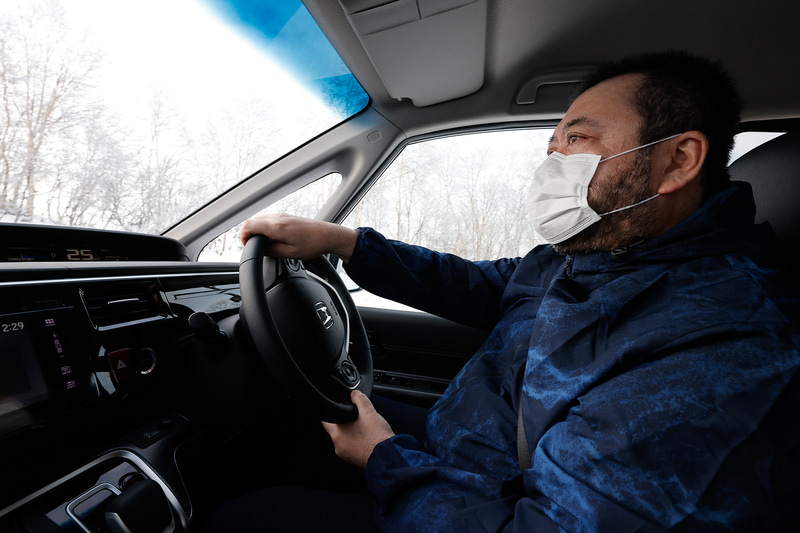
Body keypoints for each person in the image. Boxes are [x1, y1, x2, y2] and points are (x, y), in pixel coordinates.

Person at [215, 50, 800, 531]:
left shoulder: (728, 345)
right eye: (551, 150)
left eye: (577, 140)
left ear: (678, 161)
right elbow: (486, 285)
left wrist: (384, 461)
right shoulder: (594, 250)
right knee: (289, 419)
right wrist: (349, 243)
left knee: (247, 518)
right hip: (464, 452)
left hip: (483, 503)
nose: (552, 166)